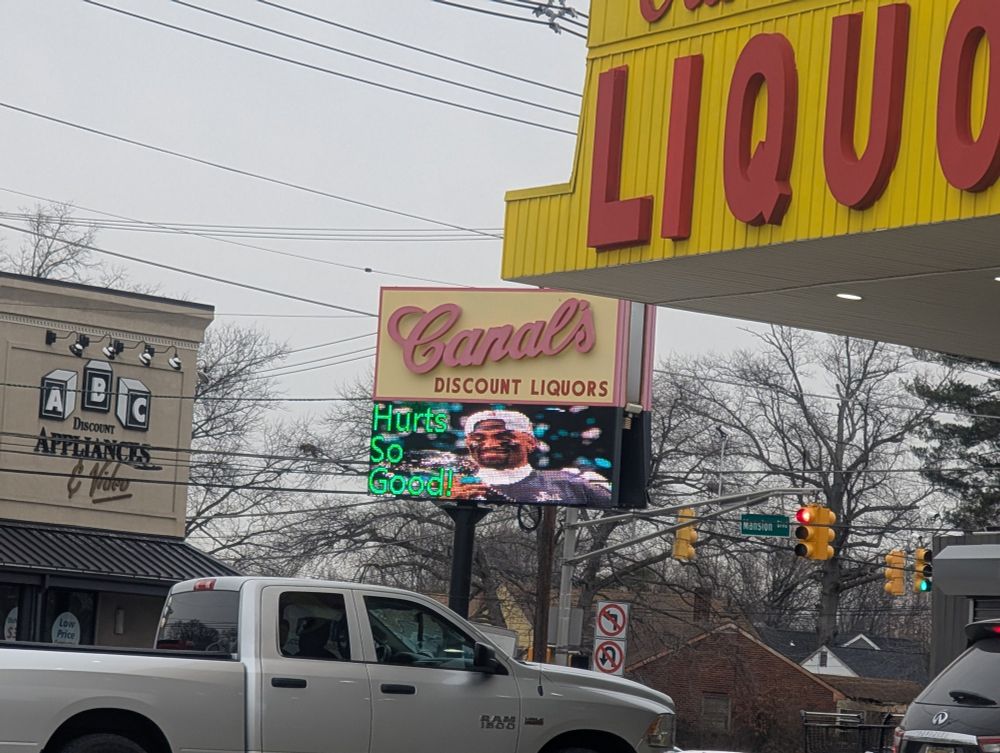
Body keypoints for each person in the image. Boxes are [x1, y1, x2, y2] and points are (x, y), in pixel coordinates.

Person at [447, 409, 614, 508]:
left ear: (531, 443)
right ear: (468, 443)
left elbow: (614, 510)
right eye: (478, 438)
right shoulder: (450, 485)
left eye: (504, 437)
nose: (490, 444)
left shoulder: (574, 481)